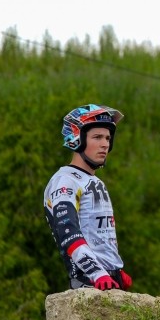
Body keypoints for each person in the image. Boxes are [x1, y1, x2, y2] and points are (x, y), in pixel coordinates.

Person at [44, 104, 132, 291]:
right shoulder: (65, 180)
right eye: (97, 137)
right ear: (77, 139)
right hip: (88, 281)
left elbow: (100, 235)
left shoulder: (95, 181)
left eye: (108, 138)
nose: (105, 144)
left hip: (109, 279)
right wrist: (98, 273)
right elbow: (68, 232)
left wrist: (116, 269)